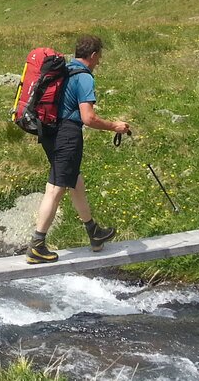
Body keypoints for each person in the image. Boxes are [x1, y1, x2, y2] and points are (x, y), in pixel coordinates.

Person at [27, 35, 130, 265]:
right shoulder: (83, 77)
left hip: (49, 132)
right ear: (93, 55)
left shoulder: (64, 70)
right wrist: (115, 126)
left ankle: (94, 232)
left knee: (75, 179)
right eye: (99, 57)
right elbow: (88, 118)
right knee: (56, 187)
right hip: (67, 135)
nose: (99, 62)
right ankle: (36, 245)